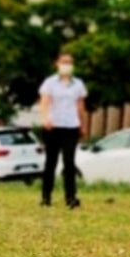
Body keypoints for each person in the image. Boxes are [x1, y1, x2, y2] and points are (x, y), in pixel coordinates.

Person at [38, 52, 88, 208]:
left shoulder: (78, 84)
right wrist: (45, 118)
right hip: (53, 127)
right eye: (64, 62)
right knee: (50, 162)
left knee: (69, 163)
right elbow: (44, 102)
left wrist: (83, 124)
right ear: (57, 64)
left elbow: (81, 106)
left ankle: (71, 197)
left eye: (70, 62)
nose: (67, 65)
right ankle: (46, 197)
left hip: (71, 127)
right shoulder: (50, 83)